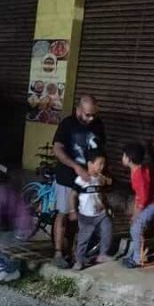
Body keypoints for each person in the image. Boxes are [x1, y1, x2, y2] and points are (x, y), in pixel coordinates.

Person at [52, 95, 106, 269]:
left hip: (89, 181)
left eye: (93, 115)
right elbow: (57, 149)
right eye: (87, 115)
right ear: (78, 110)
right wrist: (76, 167)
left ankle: (77, 253)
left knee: (83, 218)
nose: (90, 118)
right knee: (64, 213)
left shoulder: (98, 125)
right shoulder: (67, 124)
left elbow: (101, 151)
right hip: (67, 177)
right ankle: (58, 252)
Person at [121, 142, 154, 269]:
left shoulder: (138, 175)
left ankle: (137, 260)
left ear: (129, 158)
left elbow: (143, 199)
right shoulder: (139, 170)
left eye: (123, 155)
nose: (122, 158)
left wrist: (135, 214)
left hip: (152, 205)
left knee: (135, 229)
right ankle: (135, 256)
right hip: (152, 204)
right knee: (136, 229)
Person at [73, 149, 113, 270]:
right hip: (86, 215)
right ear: (90, 164)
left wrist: (105, 204)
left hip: (100, 213)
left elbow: (104, 190)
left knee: (108, 230)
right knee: (83, 239)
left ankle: (102, 254)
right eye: (99, 163)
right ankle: (79, 261)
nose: (102, 166)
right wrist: (72, 210)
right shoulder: (81, 179)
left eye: (103, 164)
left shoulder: (100, 178)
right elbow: (72, 195)